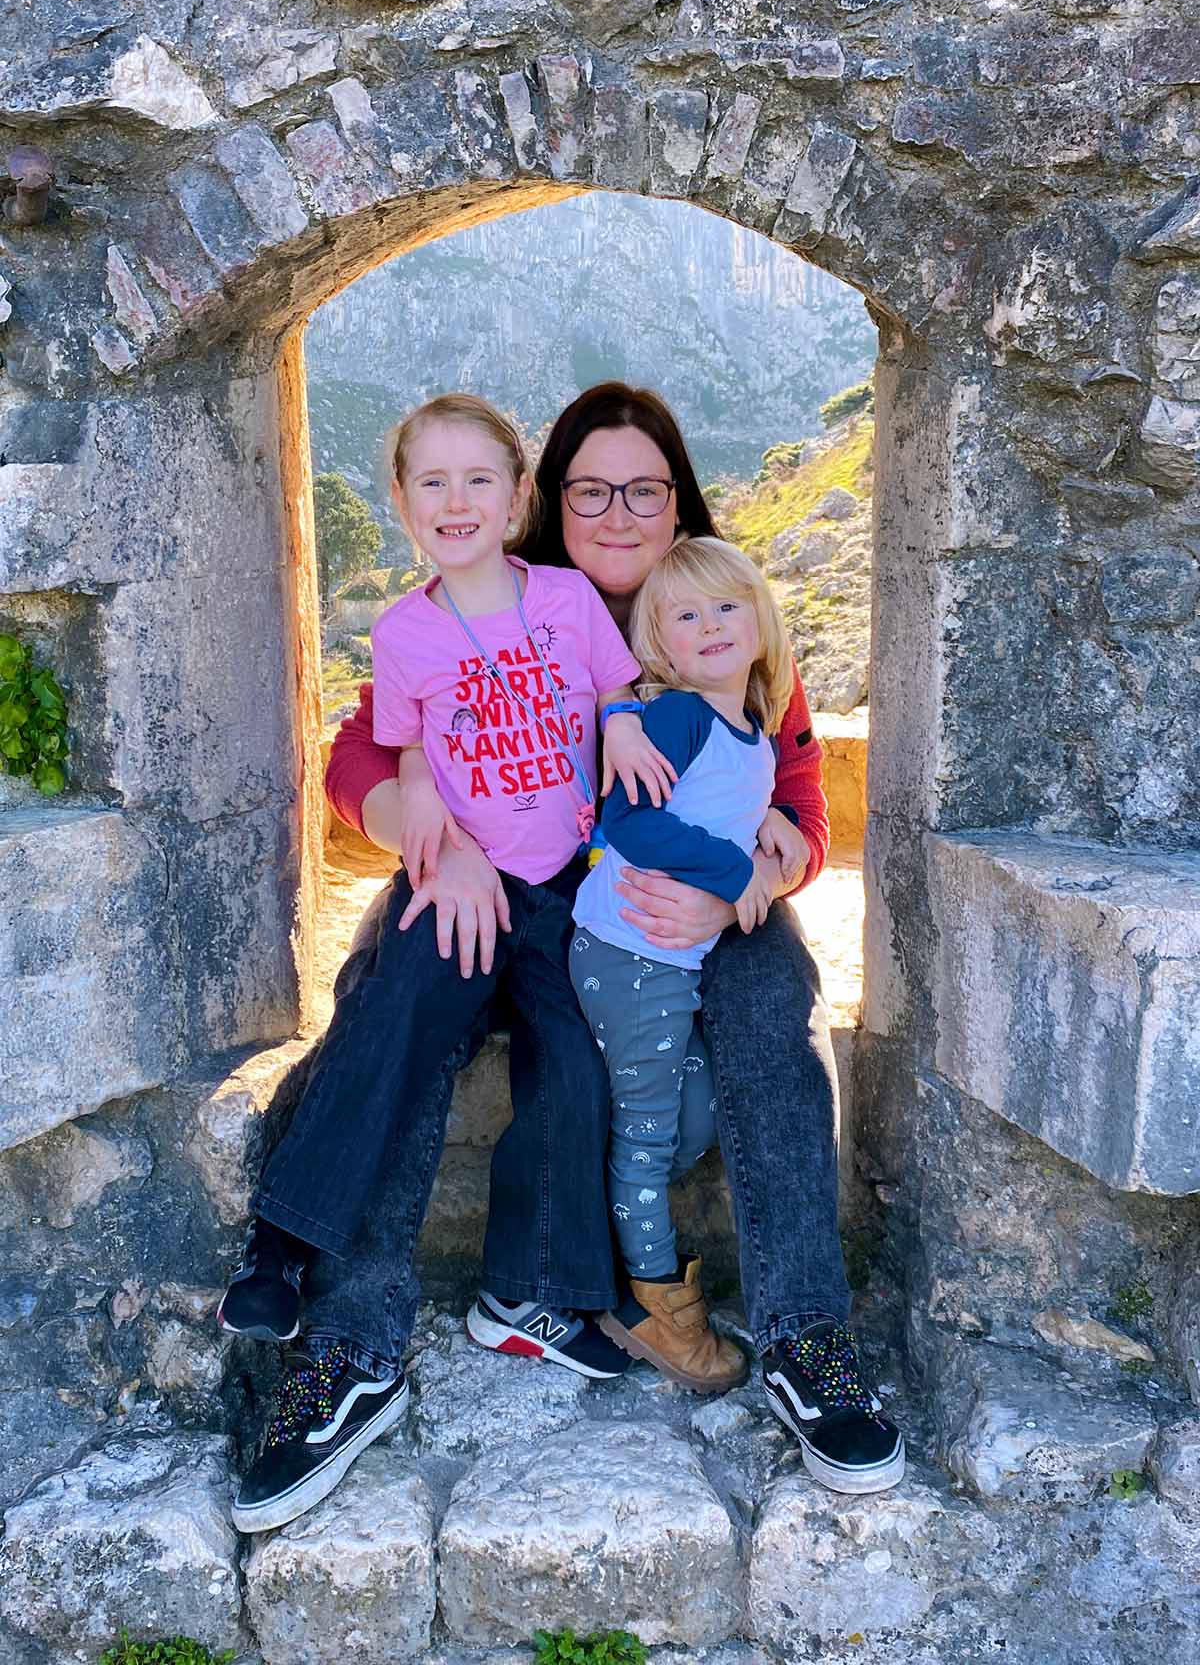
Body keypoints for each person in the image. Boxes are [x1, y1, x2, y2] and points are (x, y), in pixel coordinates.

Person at [222, 394, 673, 1533]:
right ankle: (288, 1246)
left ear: (519, 497)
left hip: (565, 883)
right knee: (395, 1006)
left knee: (578, 1061)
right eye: (433, 483)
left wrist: (620, 723)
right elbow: (410, 749)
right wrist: (440, 838)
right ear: (401, 504)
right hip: (459, 881)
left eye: (482, 481)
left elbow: (616, 688)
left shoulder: (567, 599)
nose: (458, 502)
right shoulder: (405, 633)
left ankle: (538, 1295)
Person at [570, 535, 810, 1398]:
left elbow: (723, 809)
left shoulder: (752, 725)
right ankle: (656, 1307)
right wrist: (737, 870)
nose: (709, 625)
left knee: (690, 1117)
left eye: (727, 607)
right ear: (659, 644)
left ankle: (602, 1219)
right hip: (632, 952)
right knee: (647, 1133)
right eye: (685, 614)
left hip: (673, 957)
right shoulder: (674, 714)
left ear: (760, 623)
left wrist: (769, 838)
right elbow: (630, 822)